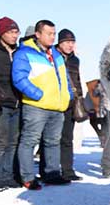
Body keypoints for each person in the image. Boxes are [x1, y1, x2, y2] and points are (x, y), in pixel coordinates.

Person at [12, 20, 73, 189]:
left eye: (54, 34)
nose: (52, 37)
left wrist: (68, 95)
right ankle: (28, 177)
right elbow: (19, 78)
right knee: (29, 141)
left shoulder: (56, 54)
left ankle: (52, 174)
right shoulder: (25, 53)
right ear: (38, 34)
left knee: (53, 142)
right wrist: (37, 95)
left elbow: (65, 78)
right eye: (49, 33)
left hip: (57, 107)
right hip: (36, 107)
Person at [53, 29, 84, 181]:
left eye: (72, 42)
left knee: (67, 138)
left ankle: (68, 171)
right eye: (67, 42)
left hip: (70, 104)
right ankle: (49, 171)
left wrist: (81, 99)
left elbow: (77, 80)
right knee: (50, 139)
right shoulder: (51, 56)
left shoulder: (74, 60)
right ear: (59, 43)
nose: (70, 45)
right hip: (53, 103)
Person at [0, 17, 22, 191]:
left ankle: (7, 176)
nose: (14, 36)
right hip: (1, 103)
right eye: (10, 32)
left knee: (13, 142)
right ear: (1, 33)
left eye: (15, 32)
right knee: (0, 142)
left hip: (17, 103)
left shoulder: (19, 52)